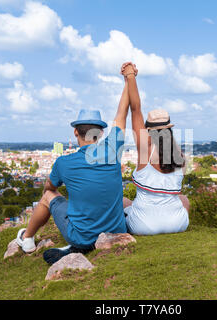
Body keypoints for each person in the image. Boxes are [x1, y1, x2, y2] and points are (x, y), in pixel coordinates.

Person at [15, 73, 132, 265]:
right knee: (123, 199)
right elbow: (122, 113)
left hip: (82, 237)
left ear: (75, 132)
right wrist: (128, 80)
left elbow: (49, 187)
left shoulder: (64, 162)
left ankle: (27, 238)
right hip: (116, 230)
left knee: (48, 196)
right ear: (101, 133)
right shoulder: (113, 149)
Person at [121, 62, 190, 235]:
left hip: (143, 226)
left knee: (122, 201)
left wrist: (130, 77)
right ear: (169, 129)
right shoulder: (179, 157)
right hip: (178, 224)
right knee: (184, 198)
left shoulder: (145, 149)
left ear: (148, 130)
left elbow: (135, 109)